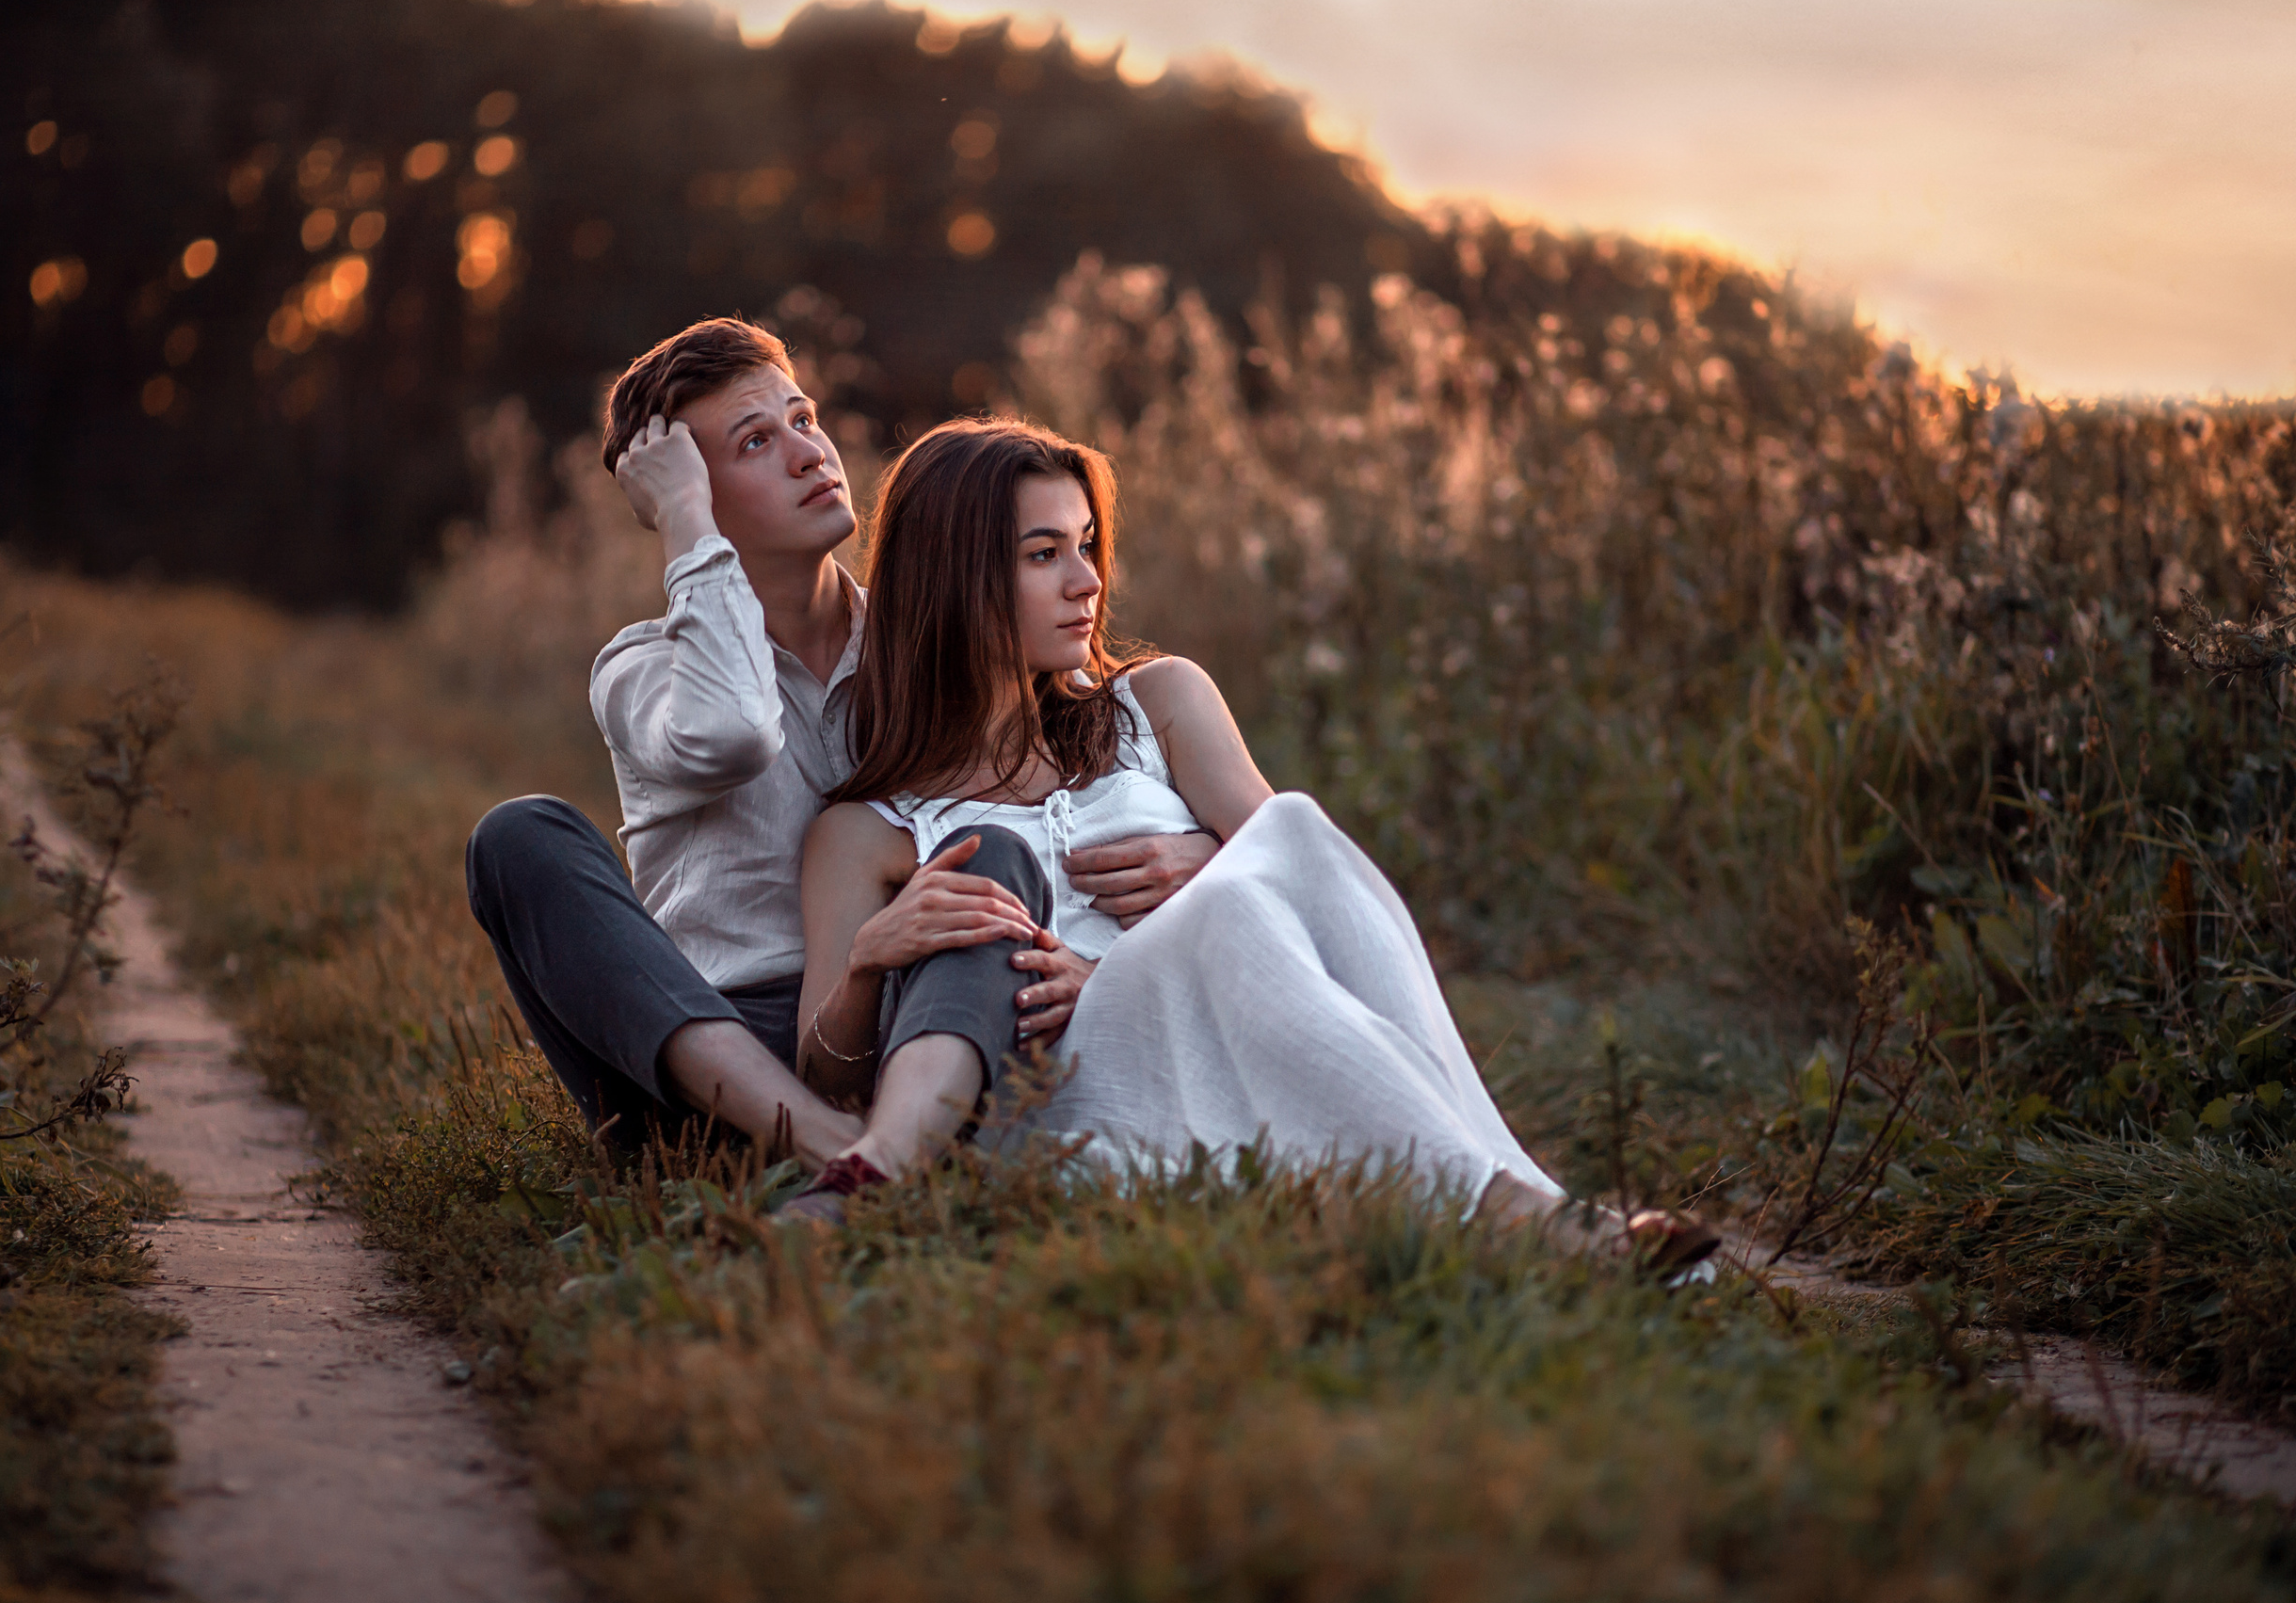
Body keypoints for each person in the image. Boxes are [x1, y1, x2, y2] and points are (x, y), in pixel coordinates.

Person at [781, 416, 1718, 1274]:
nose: (1087, 582)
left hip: (1245, 1036)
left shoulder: (1160, 703)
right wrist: (872, 959)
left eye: (1088, 547)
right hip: (1064, 1098)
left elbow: (1297, 884)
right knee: (1240, 891)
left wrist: (1206, 864)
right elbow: (826, 1074)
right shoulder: (866, 830)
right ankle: (1525, 1220)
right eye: (1043, 555)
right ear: (954, 576)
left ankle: (1506, 1201)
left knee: (1289, 835)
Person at [464, 319, 1218, 1169]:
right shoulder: (644, 669)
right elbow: (736, 734)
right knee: (519, 836)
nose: (807, 452)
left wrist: (1204, 849)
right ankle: (836, 1149)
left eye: (803, 417)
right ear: (694, 498)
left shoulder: (922, 644)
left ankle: (881, 1147)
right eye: (755, 441)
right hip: (705, 1061)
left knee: (984, 863)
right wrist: (683, 519)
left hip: (903, 1021)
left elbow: (1075, 771)